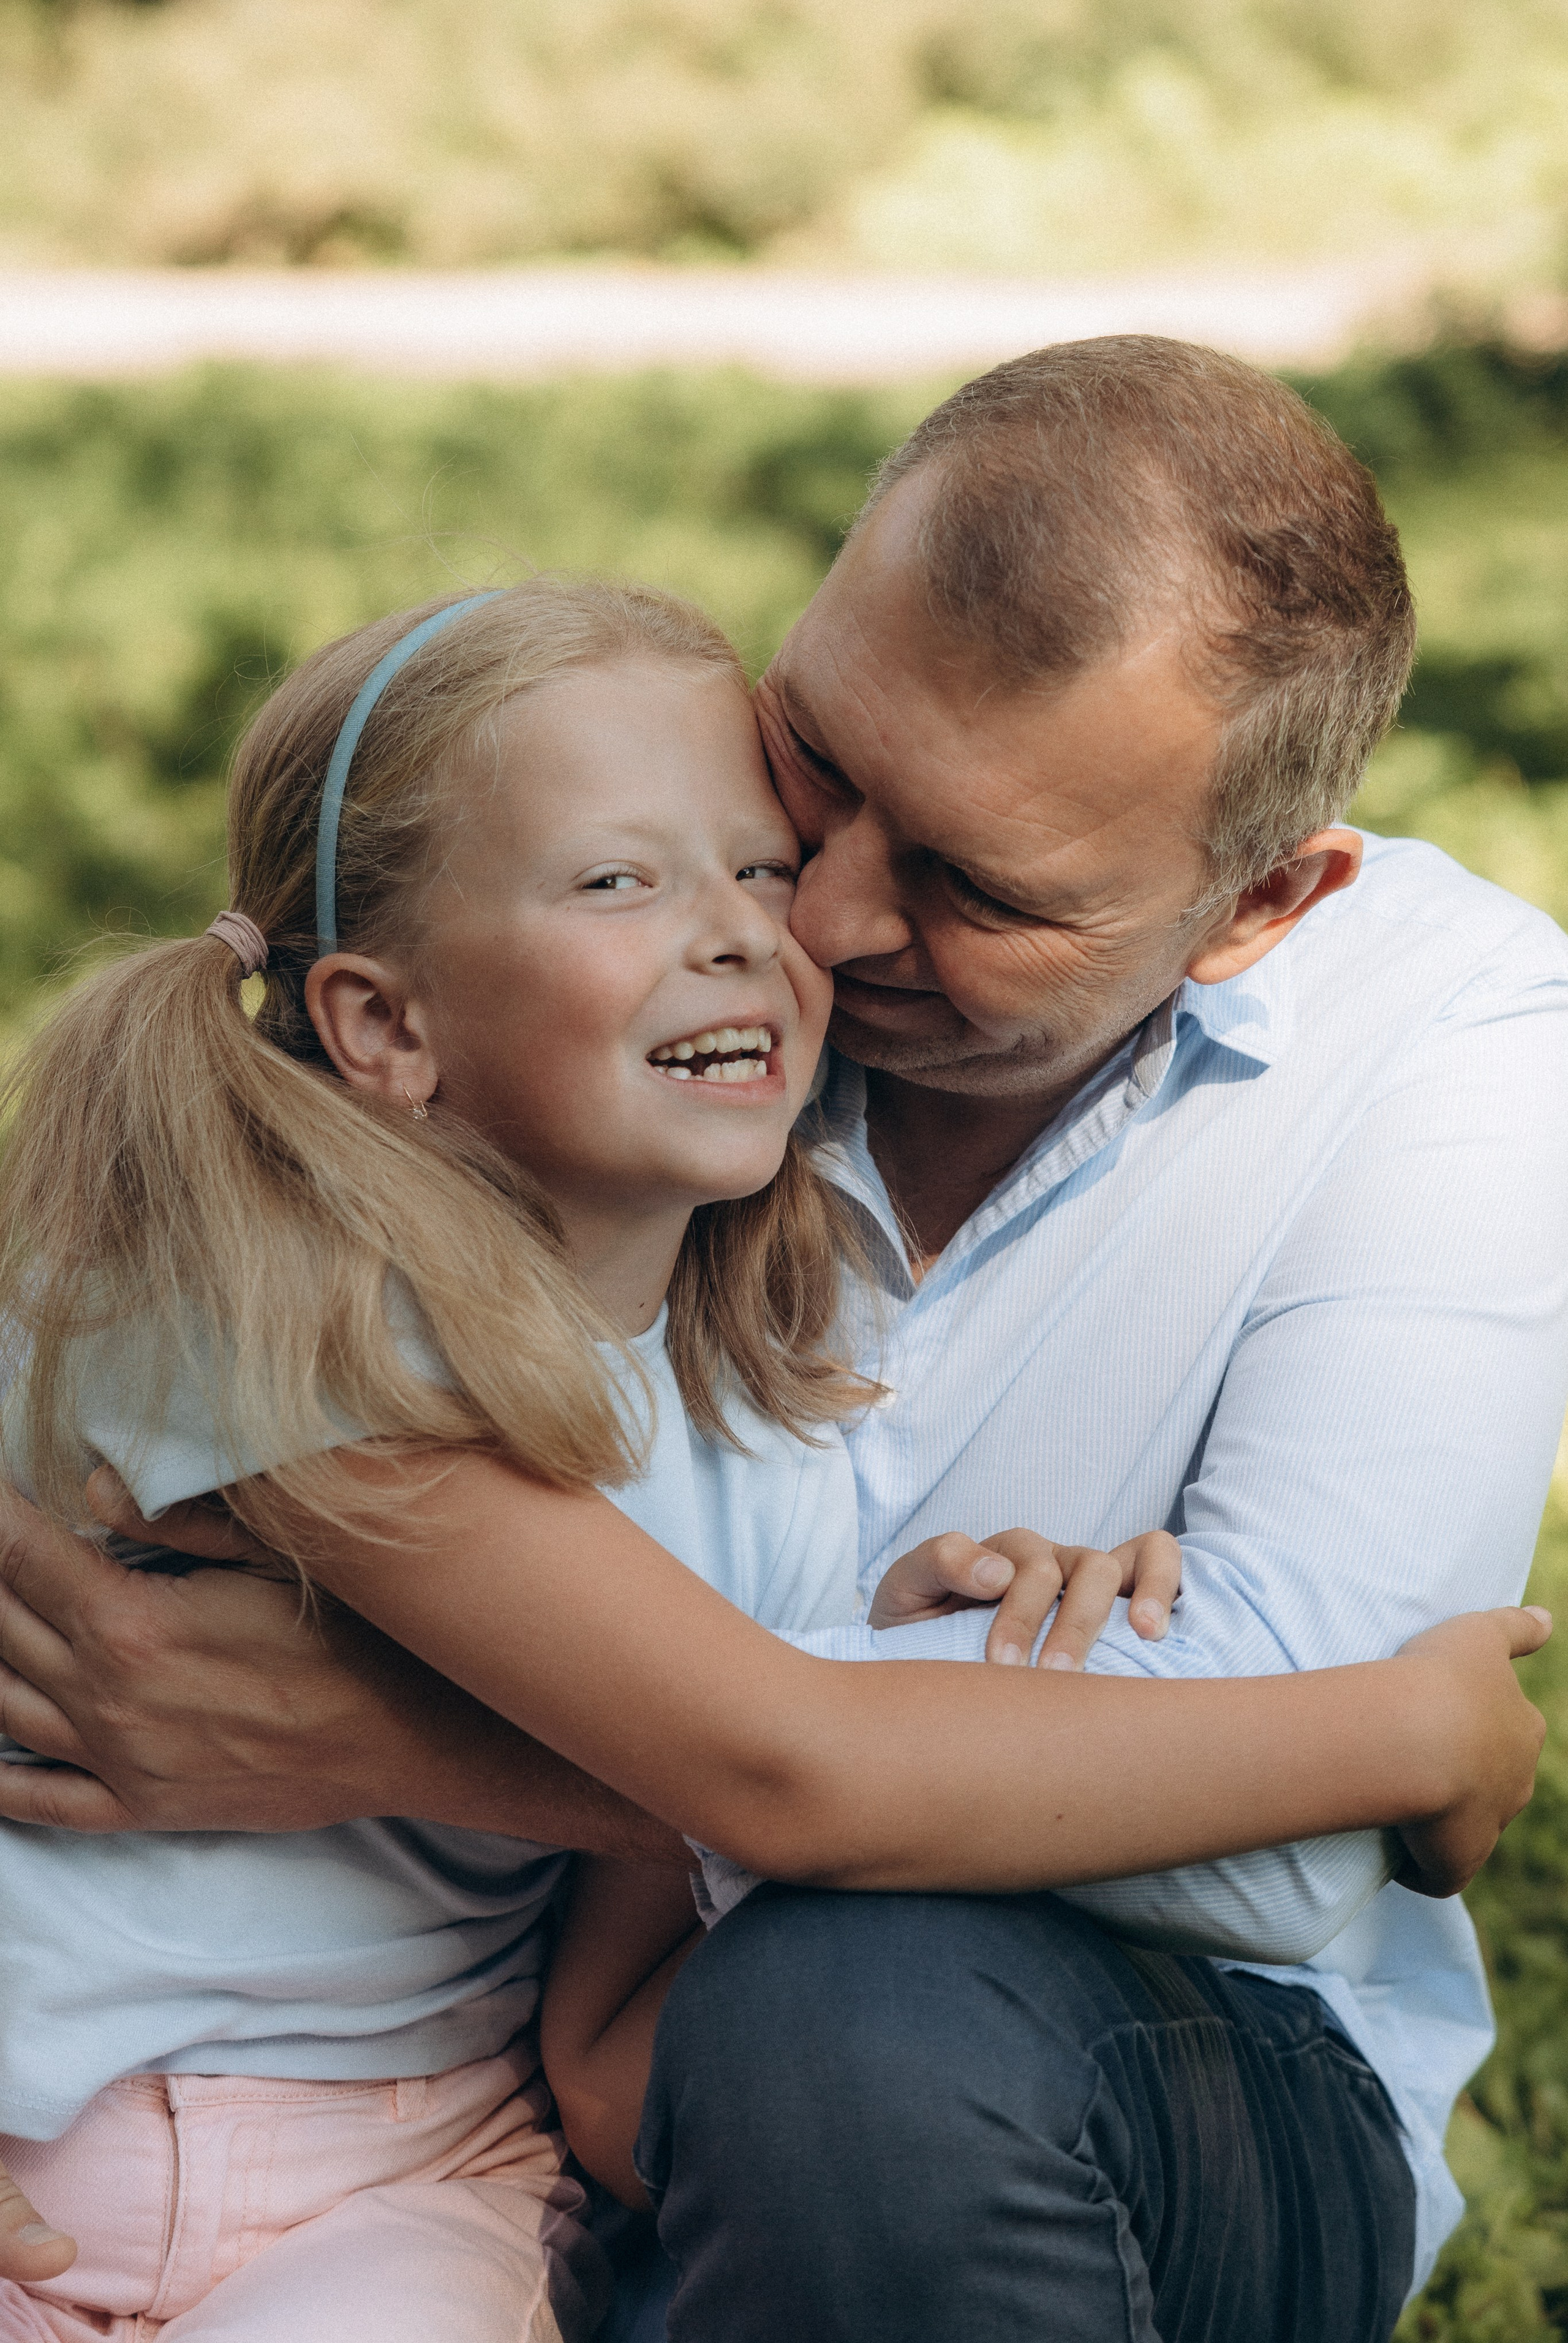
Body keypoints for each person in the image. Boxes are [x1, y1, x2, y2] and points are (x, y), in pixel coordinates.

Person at [0, 335, 1563, 2339]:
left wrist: (424, 1740)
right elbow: (739, 1827)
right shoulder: (337, 1253)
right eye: (815, 766)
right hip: (377, 2132)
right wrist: (1380, 1727)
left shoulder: (1451, 1050)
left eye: (976, 887)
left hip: (1064, 2087)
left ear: (1258, 899)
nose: (812, 919)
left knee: (855, 2018)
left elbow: (1263, 1869)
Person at [0, 572, 1181, 2342]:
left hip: (408, 2188)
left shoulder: (768, 1454)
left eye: (760, 867)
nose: (737, 933)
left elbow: (622, 2053)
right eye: (619, 880)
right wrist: (1381, 1735)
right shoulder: (246, 1312)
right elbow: (777, 1763)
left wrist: (925, 1653)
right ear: (385, 1025)